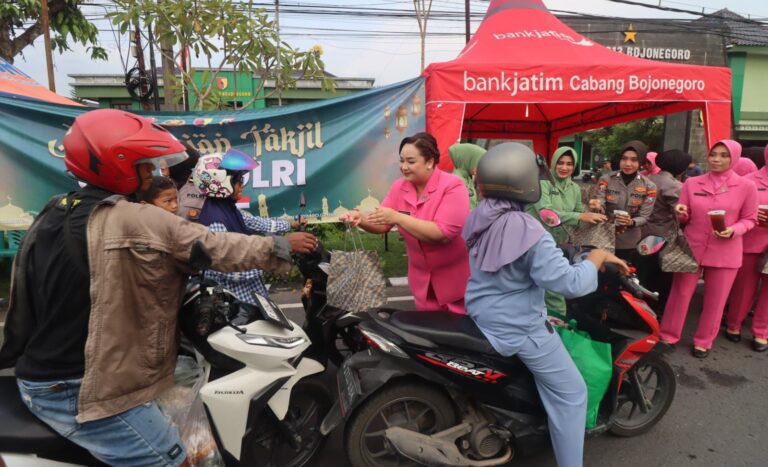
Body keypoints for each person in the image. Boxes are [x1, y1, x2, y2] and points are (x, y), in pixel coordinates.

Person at [0, 109, 317, 466]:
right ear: (116, 164)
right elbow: (216, 247)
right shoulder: (133, 219)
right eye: (144, 166)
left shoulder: (58, 209)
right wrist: (280, 246)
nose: (152, 174)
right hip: (81, 388)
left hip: (39, 372)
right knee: (176, 459)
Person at [464, 142, 629, 467]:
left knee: (551, 325)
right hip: (518, 326)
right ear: (525, 182)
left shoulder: (479, 215)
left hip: (482, 312)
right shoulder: (528, 229)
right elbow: (570, 284)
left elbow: (514, 269)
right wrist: (595, 257)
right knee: (573, 393)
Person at [340, 132, 470, 314]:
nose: (404, 167)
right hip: (422, 281)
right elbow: (382, 223)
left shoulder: (453, 186)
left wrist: (398, 217)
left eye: (410, 161)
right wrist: (359, 217)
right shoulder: (399, 187)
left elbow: (443, 233)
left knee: (456, 337)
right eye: (401, 161)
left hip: (455, 282)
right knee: (426, 335)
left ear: (430, 162)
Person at [660, 140, 758, 358]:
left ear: (734, 158)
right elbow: (685, 216)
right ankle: (668, 335)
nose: (717, 159)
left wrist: (733, 230)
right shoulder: (692, 183)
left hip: (726, 250)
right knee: (680, 294)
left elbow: (750, 220)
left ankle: (703, 340)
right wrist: (680, 211)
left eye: (724, 155)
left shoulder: (746, 187)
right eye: (714, 154)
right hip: (692, 247)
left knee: (716, 299)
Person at [192, 150, 303, 307]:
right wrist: (271, 259)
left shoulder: (229, 209)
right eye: (238, 181)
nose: (242, 186)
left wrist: (291, 223)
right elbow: (231, 268)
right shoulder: (215, 222)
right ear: (221, 183)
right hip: (236, 304)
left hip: (252, 296)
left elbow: (258, 223)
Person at [528, 146, 607, 316]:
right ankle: (558, 326)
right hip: (536, 242)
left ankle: (548, 323)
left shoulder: (574, 188)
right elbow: (546, 214)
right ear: (553, 163)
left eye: (569, 164)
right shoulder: (542, 183)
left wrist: (596, 214)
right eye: (561, 163)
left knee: (550, 288)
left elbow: (579, 219)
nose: (565, 167)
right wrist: (581, 216)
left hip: (560, 245)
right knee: (552, 292)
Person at [638, 149, 693, 312]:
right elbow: (682, 215)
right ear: (681, 168)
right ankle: (657, 310)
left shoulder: (644, 178)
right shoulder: (675, 186)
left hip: (640, 231)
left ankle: (639, 308)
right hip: (662, 235)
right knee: (661, 277)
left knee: (642, 274)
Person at [726, 144, 768, 352]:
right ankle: (734, 323)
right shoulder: (749, 180)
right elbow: (734, 210)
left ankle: (761, 332)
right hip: (750, 241)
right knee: (744, 288)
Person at [590, 141, 657, 262]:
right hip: (604, 238)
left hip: (630, 242)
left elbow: (645, 216)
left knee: (625, 276)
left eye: (634, 160)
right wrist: (597, 206)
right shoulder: (606, 179)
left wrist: (631, 222)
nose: (628, 163)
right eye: (624, 159)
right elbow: (600, 202)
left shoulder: (649, 186)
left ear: (641, 162)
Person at [448, 143, 486, 209]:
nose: (481, 168)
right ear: (468, 160)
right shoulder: (457, 180)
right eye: (478, 163)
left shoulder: (467, 178)